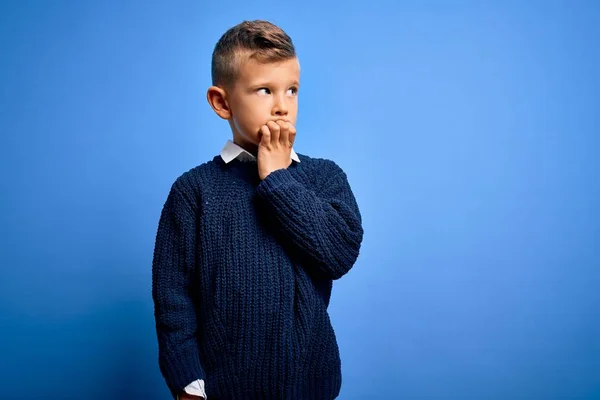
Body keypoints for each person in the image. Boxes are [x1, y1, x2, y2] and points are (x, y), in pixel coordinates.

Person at [152, 19, 364, 400]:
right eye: (264, 90)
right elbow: (173, 298)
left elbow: (338, 255)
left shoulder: (324, 177)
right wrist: (188, 385)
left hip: (309, 386)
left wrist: (277, 179)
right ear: (222, 102)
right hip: (223, 389)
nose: (282, 106)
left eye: (292, 90)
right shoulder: (193, 191)